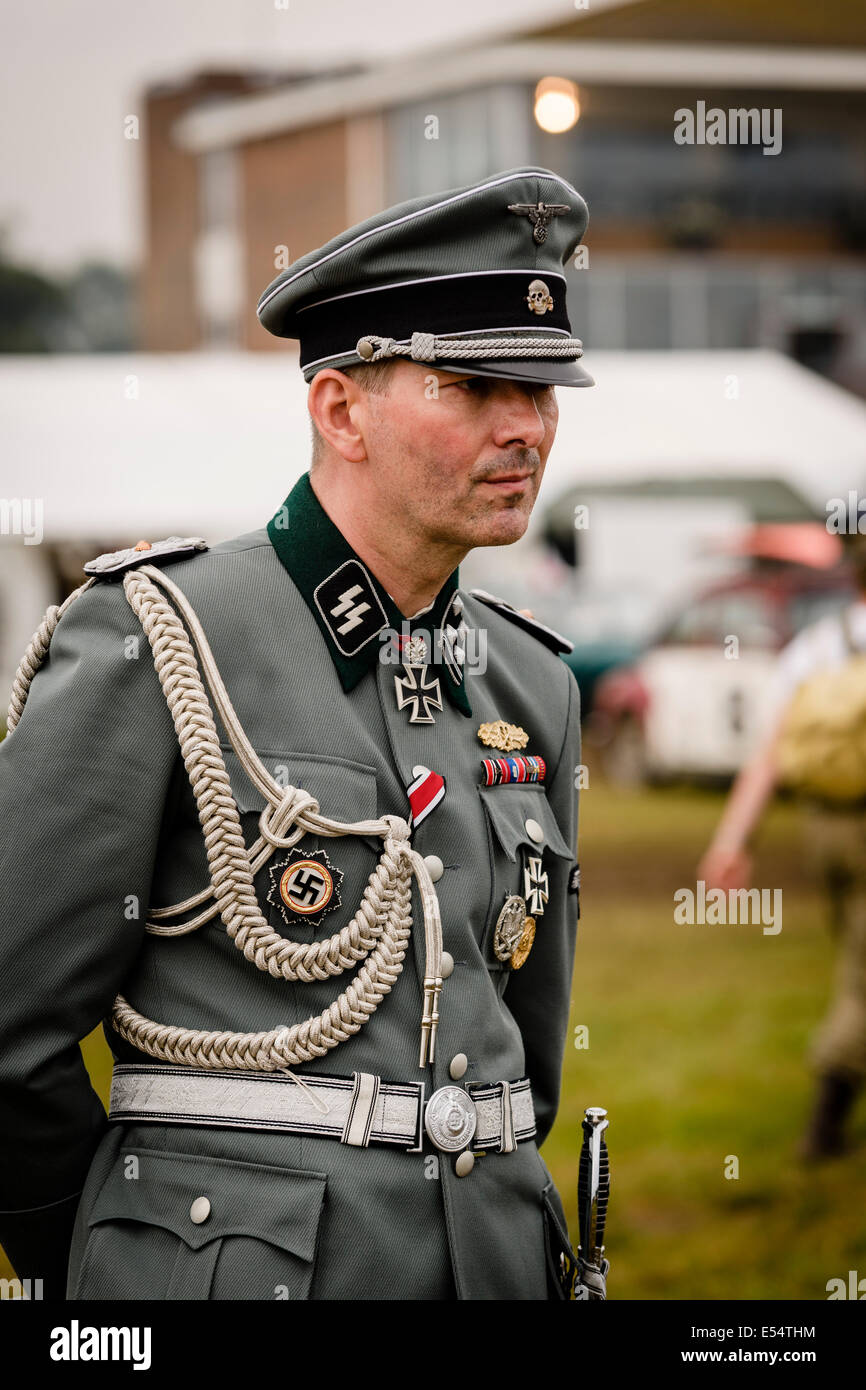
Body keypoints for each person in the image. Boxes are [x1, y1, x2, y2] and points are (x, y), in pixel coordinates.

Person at [0, 166, 595, 1300]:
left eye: (543, 389)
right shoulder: (157, 634)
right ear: (339, 407)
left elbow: (522, 1058)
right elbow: (7, 1035)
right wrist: (109, 1260)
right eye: (473, 384)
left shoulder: (532, 682)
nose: (525, 425)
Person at [699, 534, 866, 1160]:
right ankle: (824, 1130)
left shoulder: (821, 646)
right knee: (862, 975)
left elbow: (768, 758)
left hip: (825, 830)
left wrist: (730, 843)